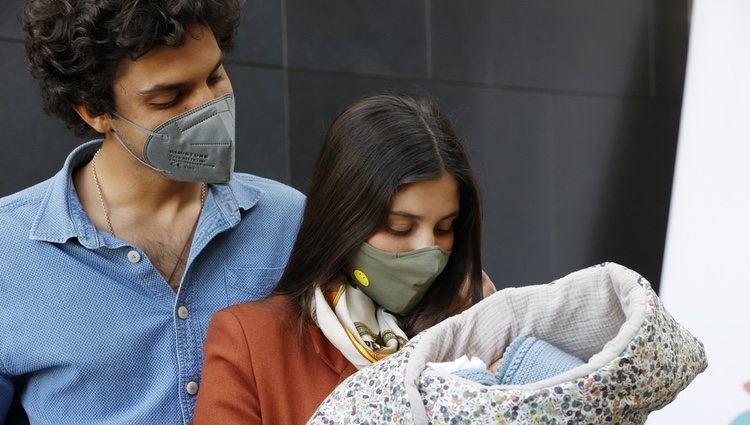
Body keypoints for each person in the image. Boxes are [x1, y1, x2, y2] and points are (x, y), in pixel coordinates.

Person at [0, 1, 304, 424]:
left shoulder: (291, 221)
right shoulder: (7, 251)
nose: (208, 106)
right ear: (93, 111)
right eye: (169, 98)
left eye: (214, 76)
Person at [192, 94, 496, 424]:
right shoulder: (251, 341)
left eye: (443, 228)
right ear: (344, 220)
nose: (428, 250)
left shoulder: (468, 328)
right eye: (399, 227)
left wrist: (489, 331)